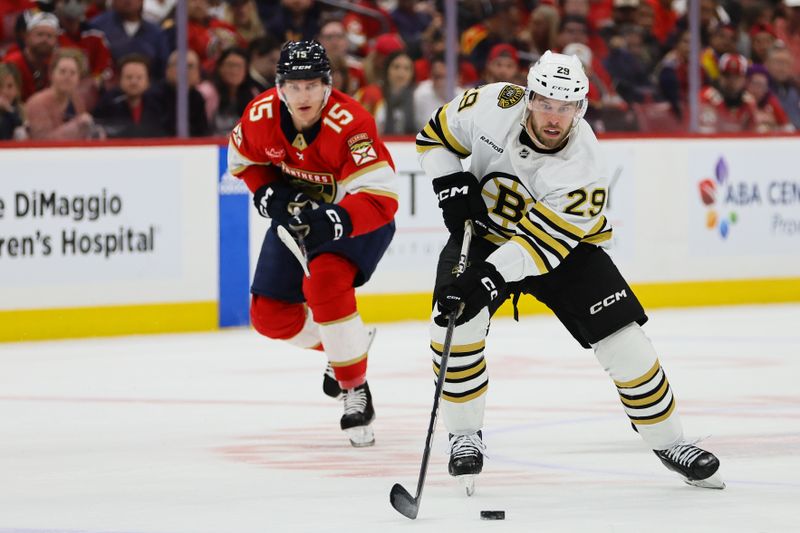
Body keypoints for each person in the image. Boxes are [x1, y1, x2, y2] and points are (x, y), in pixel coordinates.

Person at [416, 50, 725, 492]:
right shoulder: (492, 103)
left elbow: (538, 248)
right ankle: (465, 435)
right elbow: (433, 139)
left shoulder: (585, 167)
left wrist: (483, 279)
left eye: (566, 107)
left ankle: (669, 441)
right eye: (545, 103)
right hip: (483, 232)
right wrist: (447, 181)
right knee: (452, 324)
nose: (554, 118)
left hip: (565, 249)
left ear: (581, 107)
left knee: (627, 344)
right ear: (529, 96)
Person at [227, 40, 398, 447]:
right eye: (294, 85)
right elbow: (244, 160)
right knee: (268, 316)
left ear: (328, 85)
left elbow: (382, 199)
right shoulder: (260, 114)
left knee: (323, 282)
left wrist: (338, 219)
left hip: (357, 217)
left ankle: (354, 388)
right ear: (279, 86)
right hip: (300, 219)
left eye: (313, 85)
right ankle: (346, 347)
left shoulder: (351, 122)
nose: (303, 95)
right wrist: (266, 190)